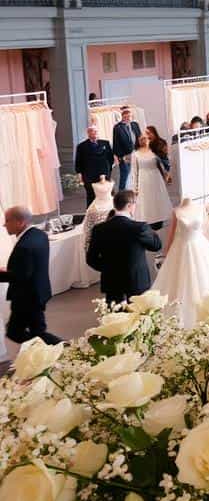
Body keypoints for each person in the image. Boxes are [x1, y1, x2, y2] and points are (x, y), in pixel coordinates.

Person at [151, 198, 209, 327]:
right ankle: (184, 316)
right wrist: (165, 255)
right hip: (181, 249)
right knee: (181, 281)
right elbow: (171, 235)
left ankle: (208, 313)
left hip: (200, 247)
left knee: (204, 279)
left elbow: (206, 230)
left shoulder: (200, 208)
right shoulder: (176, 211)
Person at [87, 189, 163, 305]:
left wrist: (109, 267)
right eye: (135, 204)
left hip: (112, 281)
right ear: (129, 205)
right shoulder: (139, 228)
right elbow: (156, 245)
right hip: (137, 281)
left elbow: (91, 259)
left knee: (115, 319)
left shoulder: (99, 229)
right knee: (139, 318)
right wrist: (149, 229)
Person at [1, 206, 60, 344]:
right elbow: (28, 268)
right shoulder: (39, 235)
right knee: (37, 331)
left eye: (7, 221)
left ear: (20, 222)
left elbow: (20, 276)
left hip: (26, 298)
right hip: (38, 292)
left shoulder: (24, 246)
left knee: (15, 333)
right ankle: (52, 351)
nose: (4, 224)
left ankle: (62, 347)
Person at [129, 134, 171, 227]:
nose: (144, 140)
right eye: (141, 139)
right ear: (138, 141)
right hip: (143, 180)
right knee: (146, 202)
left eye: (145, 138)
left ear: (149, 139)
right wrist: (135, 187)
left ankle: (159, 221)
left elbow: (163, 164)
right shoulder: (135, 154)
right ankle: (149, 223)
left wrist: (166, 175)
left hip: (156, 179)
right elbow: (134, 172)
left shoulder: (154, 151)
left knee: (157, 200)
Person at [74, 124, 115, 205]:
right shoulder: (81, 146)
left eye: (95, 131)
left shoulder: (105, 143)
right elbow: (78, 161)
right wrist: (79, 174)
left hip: (104, 174)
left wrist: (107, 170)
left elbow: (110, 158)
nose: (94, 133)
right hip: (89, 175)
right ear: (88, 133)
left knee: (106, 195)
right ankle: (90, 214)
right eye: (91, 132)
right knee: (91, 196)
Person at [112, 107, 141, 190]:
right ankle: (121, 195)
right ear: (122, 116)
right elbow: (116, 143)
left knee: (136, 175)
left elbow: (140, 138)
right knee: (125, 175)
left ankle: (135, 193)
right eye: (126, 116)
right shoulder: (118, 127)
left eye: (129, 116)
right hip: (125, 156)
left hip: (136, 154)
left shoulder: (135, 125)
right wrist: (119, 157)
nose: (128, 118)